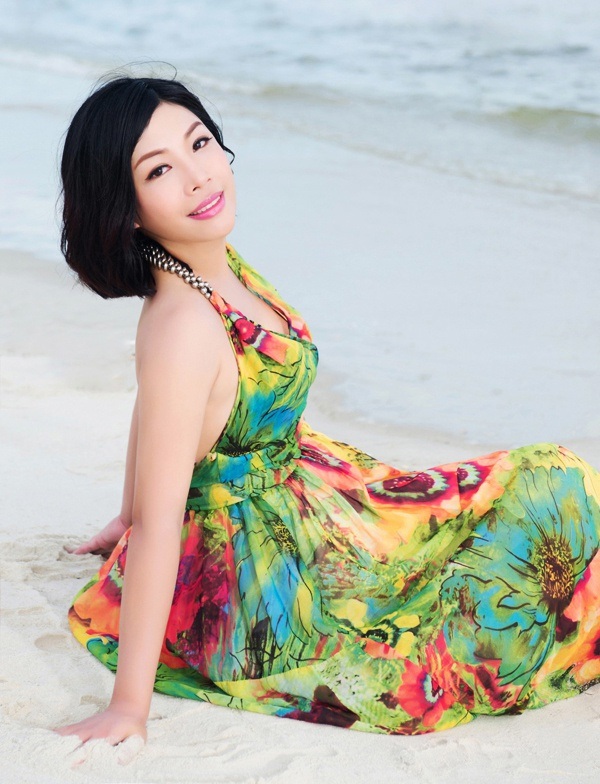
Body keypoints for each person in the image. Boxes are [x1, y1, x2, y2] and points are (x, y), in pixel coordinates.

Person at [53, 73, 600, 746]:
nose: (198, 176)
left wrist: (124, 515)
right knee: (549, 488)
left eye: (199, 143)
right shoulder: (182, 327)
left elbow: (156, 409)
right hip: (262, 570)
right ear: (127, 208)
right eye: (159, 170)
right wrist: (128, 707)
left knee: (542, 489)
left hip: (308, 492)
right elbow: (165, 520)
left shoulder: (211, 264)